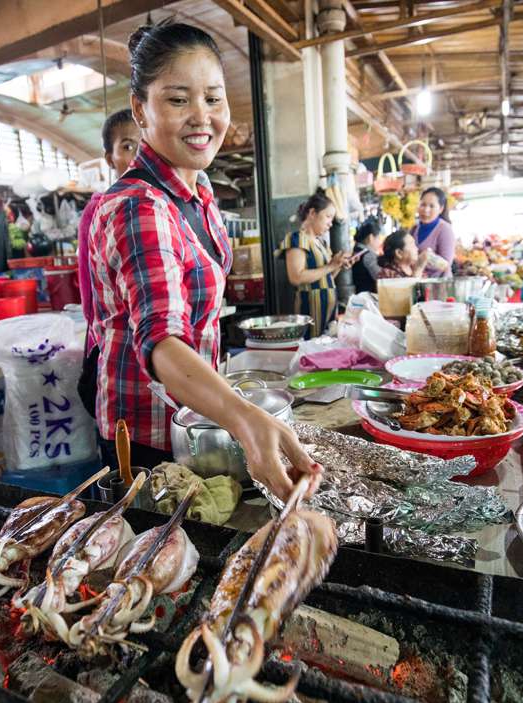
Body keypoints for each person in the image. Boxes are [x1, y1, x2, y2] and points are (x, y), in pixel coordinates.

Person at [85, 19, 320, 500]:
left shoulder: (200, 190)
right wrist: (245, 418)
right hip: (148, 436)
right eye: (178, 99)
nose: (201, 116)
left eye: (213, 99)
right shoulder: (139, 205)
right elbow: (162, 340)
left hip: (194, 415)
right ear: (141, 110)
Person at [78, 108, 141, 352]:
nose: (138, 155)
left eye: (145, 145)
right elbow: (89, 297)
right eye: (127, 146)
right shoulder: (97, 212)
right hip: (120, 351)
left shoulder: (163, 205)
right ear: (109, 158)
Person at [278, 190, 353, 337]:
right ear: (312, 213)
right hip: (310, 310)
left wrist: (338, 265)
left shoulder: (322, 243)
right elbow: (296, 277)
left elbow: (327, 276)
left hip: (329, 310)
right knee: (312, 349)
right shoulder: (296, 238)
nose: (331, 223)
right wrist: (330, 265)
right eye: (328, 217)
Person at [409, 187, 454, 276]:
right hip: (417, 280)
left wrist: (425, 259)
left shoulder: (445, 230)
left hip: (438, 283)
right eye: (423, 204)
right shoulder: (414, 229)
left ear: (441, 209)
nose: (426, 210)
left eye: (431, 206)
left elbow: (446, 264)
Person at [350, 218, 381, 294]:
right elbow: (380, 277)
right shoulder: (368, 255)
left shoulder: (357, 250)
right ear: (371, 238)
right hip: (367, 297)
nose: (380, 242)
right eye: (378, 238)